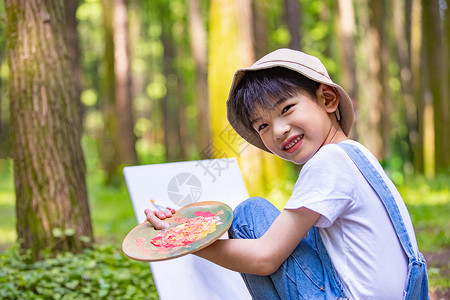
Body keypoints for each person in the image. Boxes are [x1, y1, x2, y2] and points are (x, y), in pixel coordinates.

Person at [144, 49, 429, 299]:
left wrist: (181, 241)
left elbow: (266, 257)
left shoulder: (328, 162)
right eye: (262, 126)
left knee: (250, 215)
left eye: (287, 108)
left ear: (327, 99)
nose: (279, 130)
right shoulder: (355, 155)